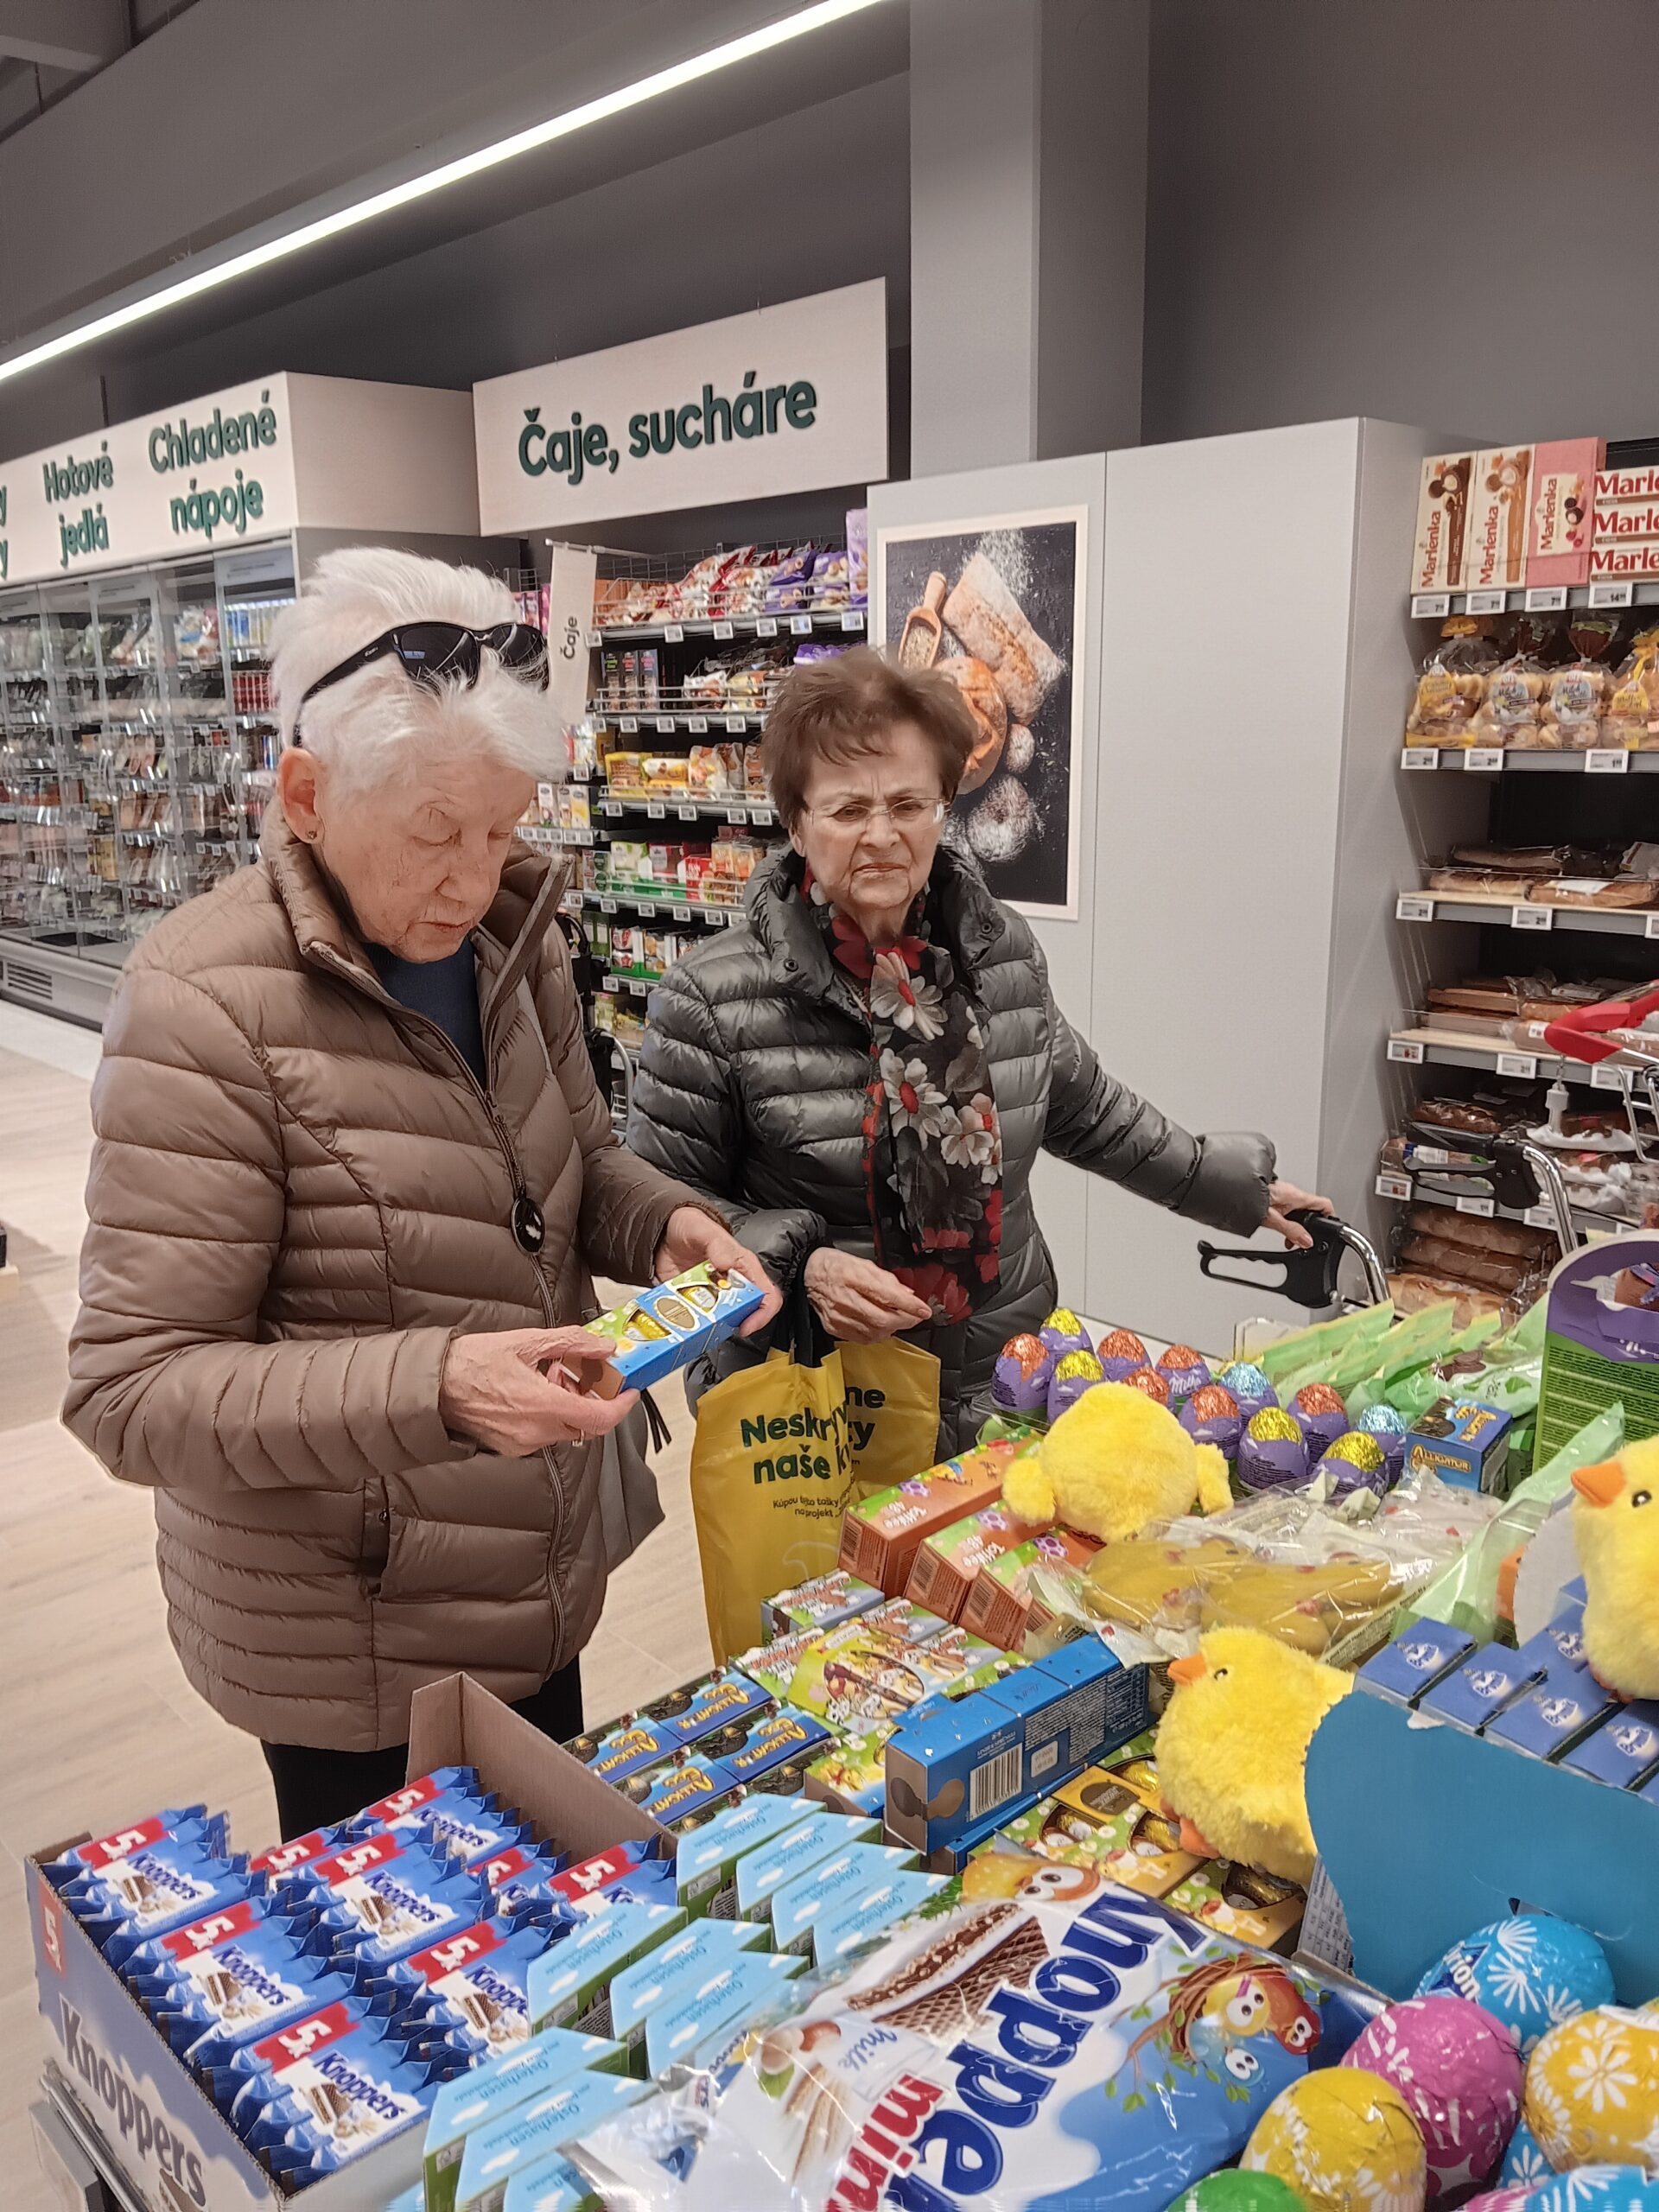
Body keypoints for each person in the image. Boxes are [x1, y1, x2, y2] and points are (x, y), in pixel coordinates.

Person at [63, 548, 776, 1839]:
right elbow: (132, 1391)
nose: (474, 876)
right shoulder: (200, 1006)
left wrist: (667, 1223)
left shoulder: (511, 936)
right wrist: (440, 1386)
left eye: (503, 828)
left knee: (559, 1904)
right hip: (354, 1636)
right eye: (437, 833)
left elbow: (578, 1160)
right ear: (307, 794)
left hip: (536, 1568)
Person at [627, 647, 1325, 1446]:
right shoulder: (711, 997)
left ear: (944, 808)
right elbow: (660, 1210)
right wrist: (800, 1267)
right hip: (814, 1403)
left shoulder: (1000, 953)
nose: (882, 835)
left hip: (1001, 1377)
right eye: (848, 810)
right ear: (796, 822)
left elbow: (1083, 1107)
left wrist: (1226, 1185)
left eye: (908, 804)